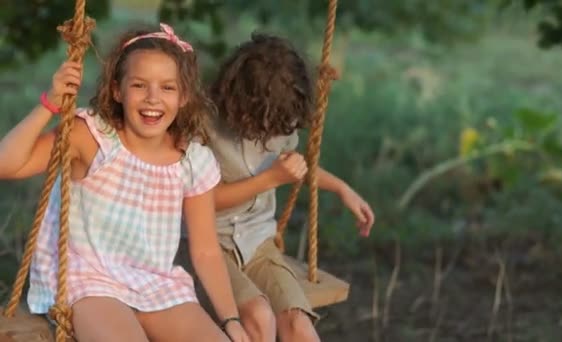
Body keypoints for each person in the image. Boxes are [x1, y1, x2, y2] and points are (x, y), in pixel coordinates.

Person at [0, 23, 249, 342]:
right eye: (139, 85)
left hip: (154, 281)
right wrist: (50, 103)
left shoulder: (193, 160)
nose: (153, 99)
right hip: (90, 278)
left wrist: (231, 320)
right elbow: (7, 165)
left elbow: (206, 252)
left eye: (168, 88)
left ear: (184, 96)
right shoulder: (91, 136)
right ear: (117, 90)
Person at [185, 33, 375, 342]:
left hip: (257, 241)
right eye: (262, 122)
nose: (270, 133)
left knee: (299, 327)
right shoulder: (203, 125)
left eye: (278, 125)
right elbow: (196, 203)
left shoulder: (280, 119)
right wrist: (269, 179)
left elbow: (292, 166)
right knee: (259, 318)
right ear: (239, 100)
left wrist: (342, 188)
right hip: (208, 242)